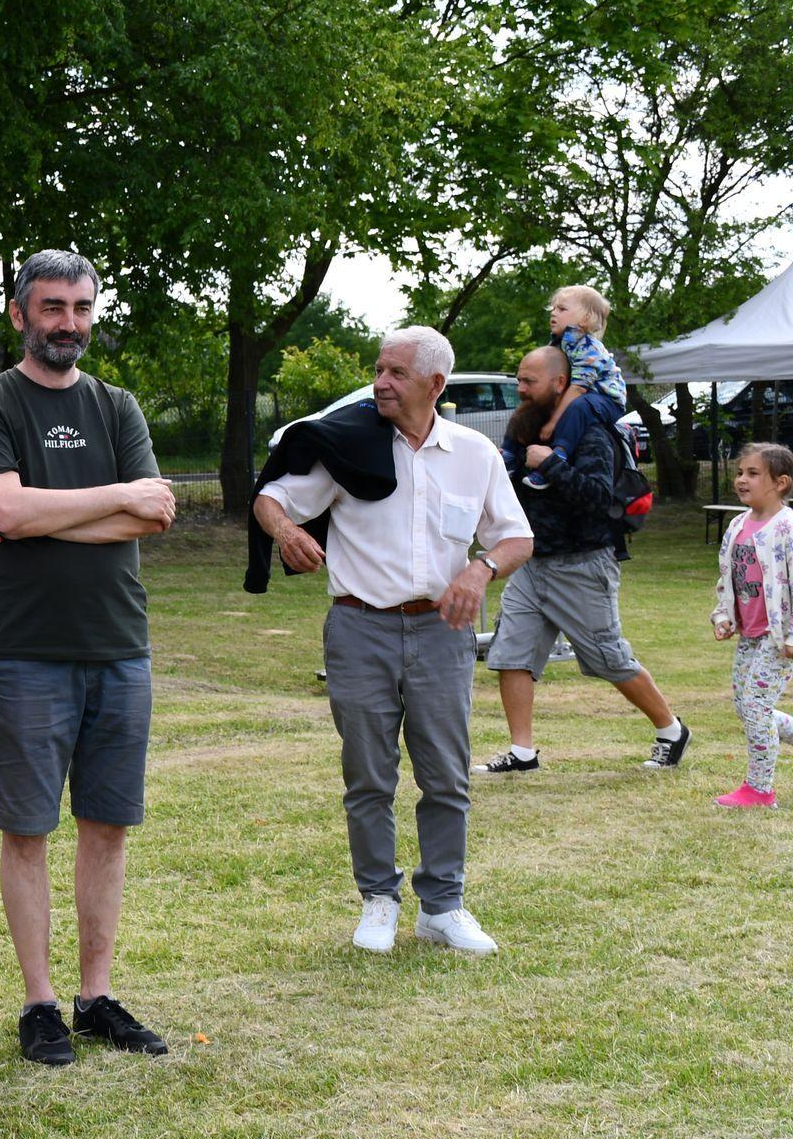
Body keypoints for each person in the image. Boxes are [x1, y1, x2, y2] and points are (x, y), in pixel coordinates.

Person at [0, 249, 176, 1068]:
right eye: (52, 307)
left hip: (119, 647)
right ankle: (40, 1003)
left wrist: (40, 515)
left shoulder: (116, 405)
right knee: (28, 829)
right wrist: (115, 496)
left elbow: (154, 515)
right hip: (27, 652)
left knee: (107, 826)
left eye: (82, 308)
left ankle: (96, 997)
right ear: (20, 313)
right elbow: (6, 507)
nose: (69, 323)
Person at [254, 326, 532, 957]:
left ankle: (443, 906)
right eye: (379, 369)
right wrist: (286, 534)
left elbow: (517, 536)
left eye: (395, 373)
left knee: (446, 776)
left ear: (434, 384)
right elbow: (271, 497)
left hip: (443, 632)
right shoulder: (351, 445)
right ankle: (379, 899)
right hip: (359, 628)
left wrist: (481, 569)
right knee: (369, 776)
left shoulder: (474, 454)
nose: (379, 383)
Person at [478, 347, 689, 773]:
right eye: (519, 380)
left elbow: (597, 499)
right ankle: (522, 753)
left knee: (609, 659)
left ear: (560, 384)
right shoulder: (524, 430)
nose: (521, 389)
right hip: (533, 564)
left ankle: (671, 730)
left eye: (529, 382)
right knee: (511, 654)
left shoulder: (591, 433)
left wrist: (551, 466)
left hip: (583, 565)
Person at [711, 444, 793, 808]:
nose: (742, 480)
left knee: (757, 708)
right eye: (740, 472)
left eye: (753, 473)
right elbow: (728, 578)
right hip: (750, 636)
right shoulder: (737, 525)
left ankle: (760, 790)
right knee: (746, 708)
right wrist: (723, 616)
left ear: (780, 482)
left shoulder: (788, 528)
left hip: (778, 638)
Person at [514, 285, 629, 492]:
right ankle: (509, 455)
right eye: (553, 308)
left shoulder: (588, 347)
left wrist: (552, 424)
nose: (553, 313)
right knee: (528, 409)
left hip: (607, 399)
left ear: (585, 318)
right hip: (585, 397)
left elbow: (578, 388)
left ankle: (558, 455)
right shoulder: (561, 343)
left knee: (578, 406)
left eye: (562, 309)